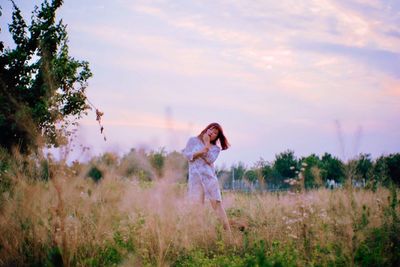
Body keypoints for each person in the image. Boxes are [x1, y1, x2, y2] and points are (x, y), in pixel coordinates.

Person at [182, 122, 231, 232]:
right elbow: (187, 155)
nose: (212, 133)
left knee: (217, 205)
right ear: (206, 129)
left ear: (217, 137)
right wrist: (203, 151)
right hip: (196, 178)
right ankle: (200, 233)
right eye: (211, 129)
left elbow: (210, 160)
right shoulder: (192, 140)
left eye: (215, 133)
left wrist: (207, 144)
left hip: (209, 179)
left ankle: (228, 232)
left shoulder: (215, 149)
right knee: (198, 206)